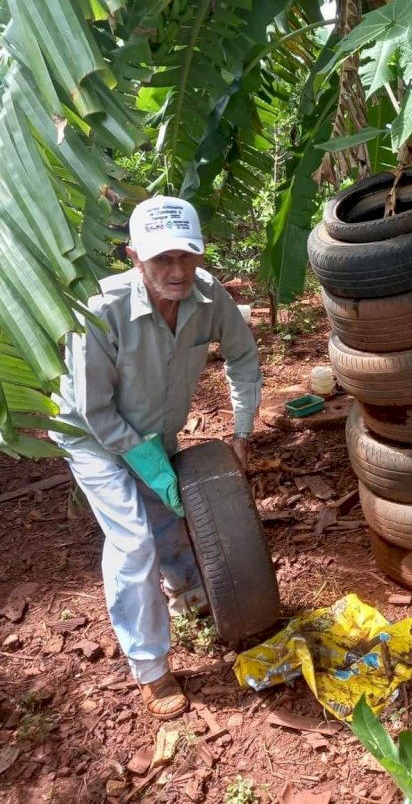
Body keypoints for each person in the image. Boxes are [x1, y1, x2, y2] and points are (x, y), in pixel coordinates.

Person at [49, 195, 262, 720]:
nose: (177, 271)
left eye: (186, 257)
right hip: (92, 436)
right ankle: (150, 666)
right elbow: (94, 410)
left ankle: (185, 589)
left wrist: (241, 432)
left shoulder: (209, 300)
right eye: (161, 260)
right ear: (133, 257)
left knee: (168, 511)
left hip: (153, 424)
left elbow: (243, 355)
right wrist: (146, 463)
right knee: (132, 537)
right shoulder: (101, 313)